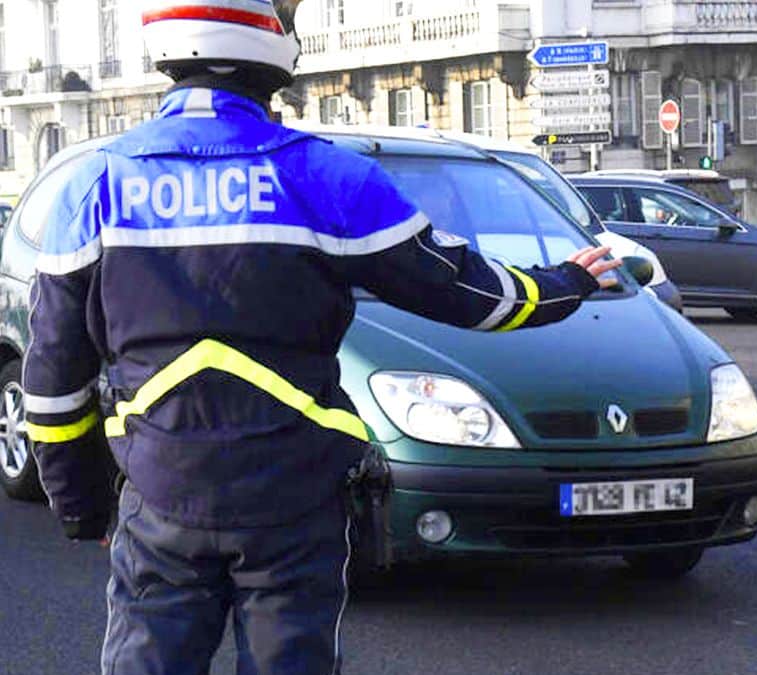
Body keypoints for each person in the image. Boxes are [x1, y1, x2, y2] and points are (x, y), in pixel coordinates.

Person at [22, 2, 622, 673]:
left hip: (161, 495)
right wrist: (567, 281)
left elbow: (52, 380)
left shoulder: (95, 185)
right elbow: (471, 294)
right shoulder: (325, 176)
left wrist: (82, 505)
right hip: (293, 505)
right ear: (272, 52)